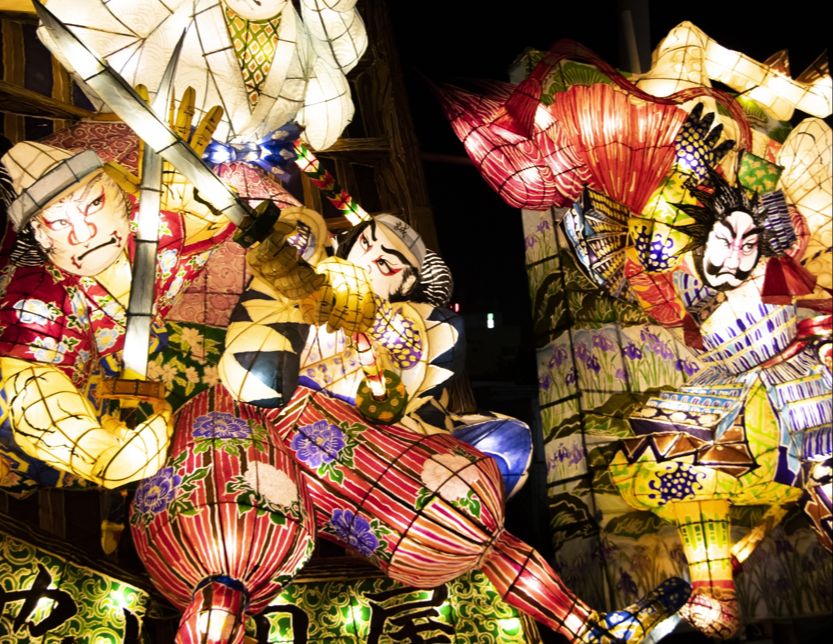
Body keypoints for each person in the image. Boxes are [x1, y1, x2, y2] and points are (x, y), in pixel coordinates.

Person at [213, 208, 691, 642]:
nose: (369, 258)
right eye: (366, 243)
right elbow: (257, 375)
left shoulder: (412, 326)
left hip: (365, 456)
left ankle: (585, 627)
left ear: (406, 284)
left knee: (487, 477)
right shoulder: (307, 286)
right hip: (274, 441)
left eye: (386, 263)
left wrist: (369, 341)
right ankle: (584, 627)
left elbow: (389, 402)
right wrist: (291, 290)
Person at [0, 137, 235, 495]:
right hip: (82, 407)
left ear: (114, 191)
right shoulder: (38, 294)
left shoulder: (153, 221)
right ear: (37, 236)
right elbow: (29, 381)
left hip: (157, 367)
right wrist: (93, 452)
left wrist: (197, 192)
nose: (84, 232)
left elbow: (225, 218)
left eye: (93, 204)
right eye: (58, 222)